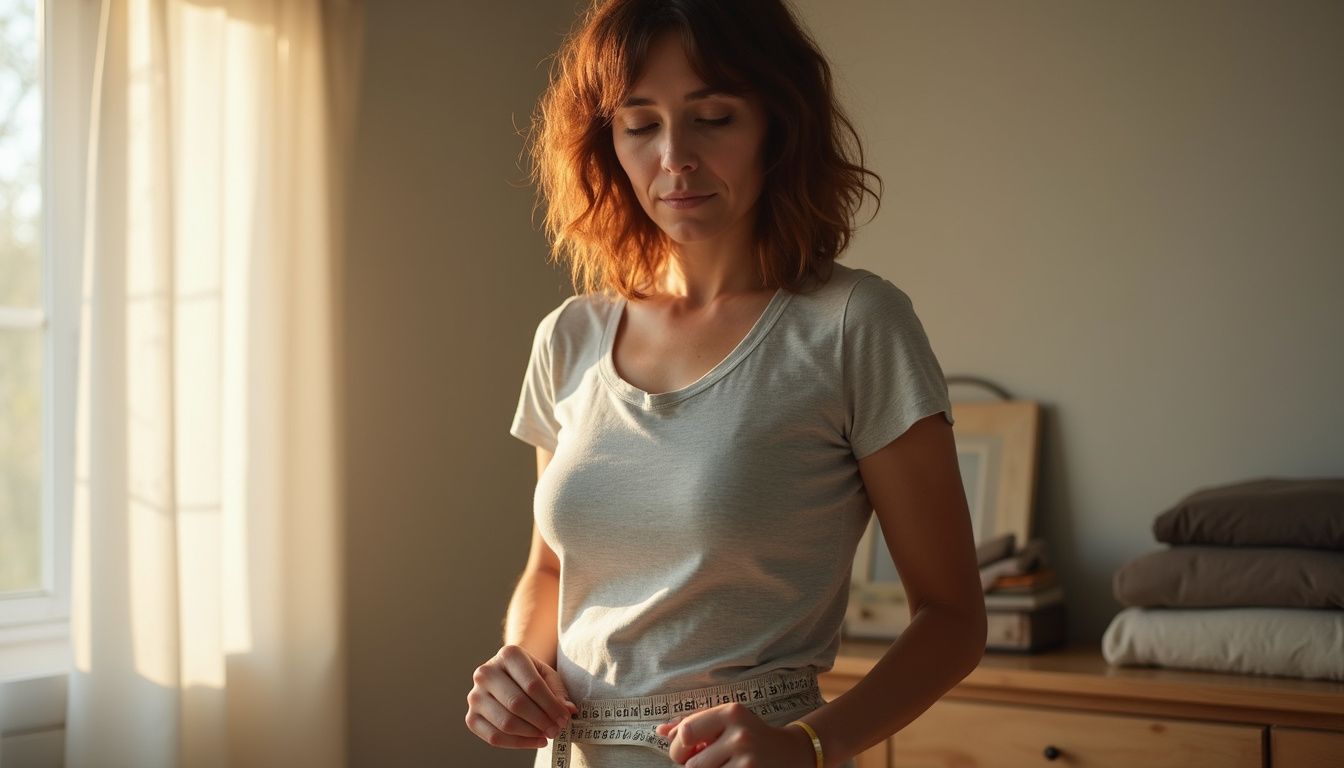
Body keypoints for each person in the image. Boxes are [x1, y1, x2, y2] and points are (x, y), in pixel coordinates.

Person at [465, 1, 987, 766]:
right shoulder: (569, 336)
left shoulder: (853, 325)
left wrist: (809, 744)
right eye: (640, 124)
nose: (675, 156)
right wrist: (518, 665)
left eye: (713, 117)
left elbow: (952, 619)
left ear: (778, 124)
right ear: (606, 141)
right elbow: (551, 567)